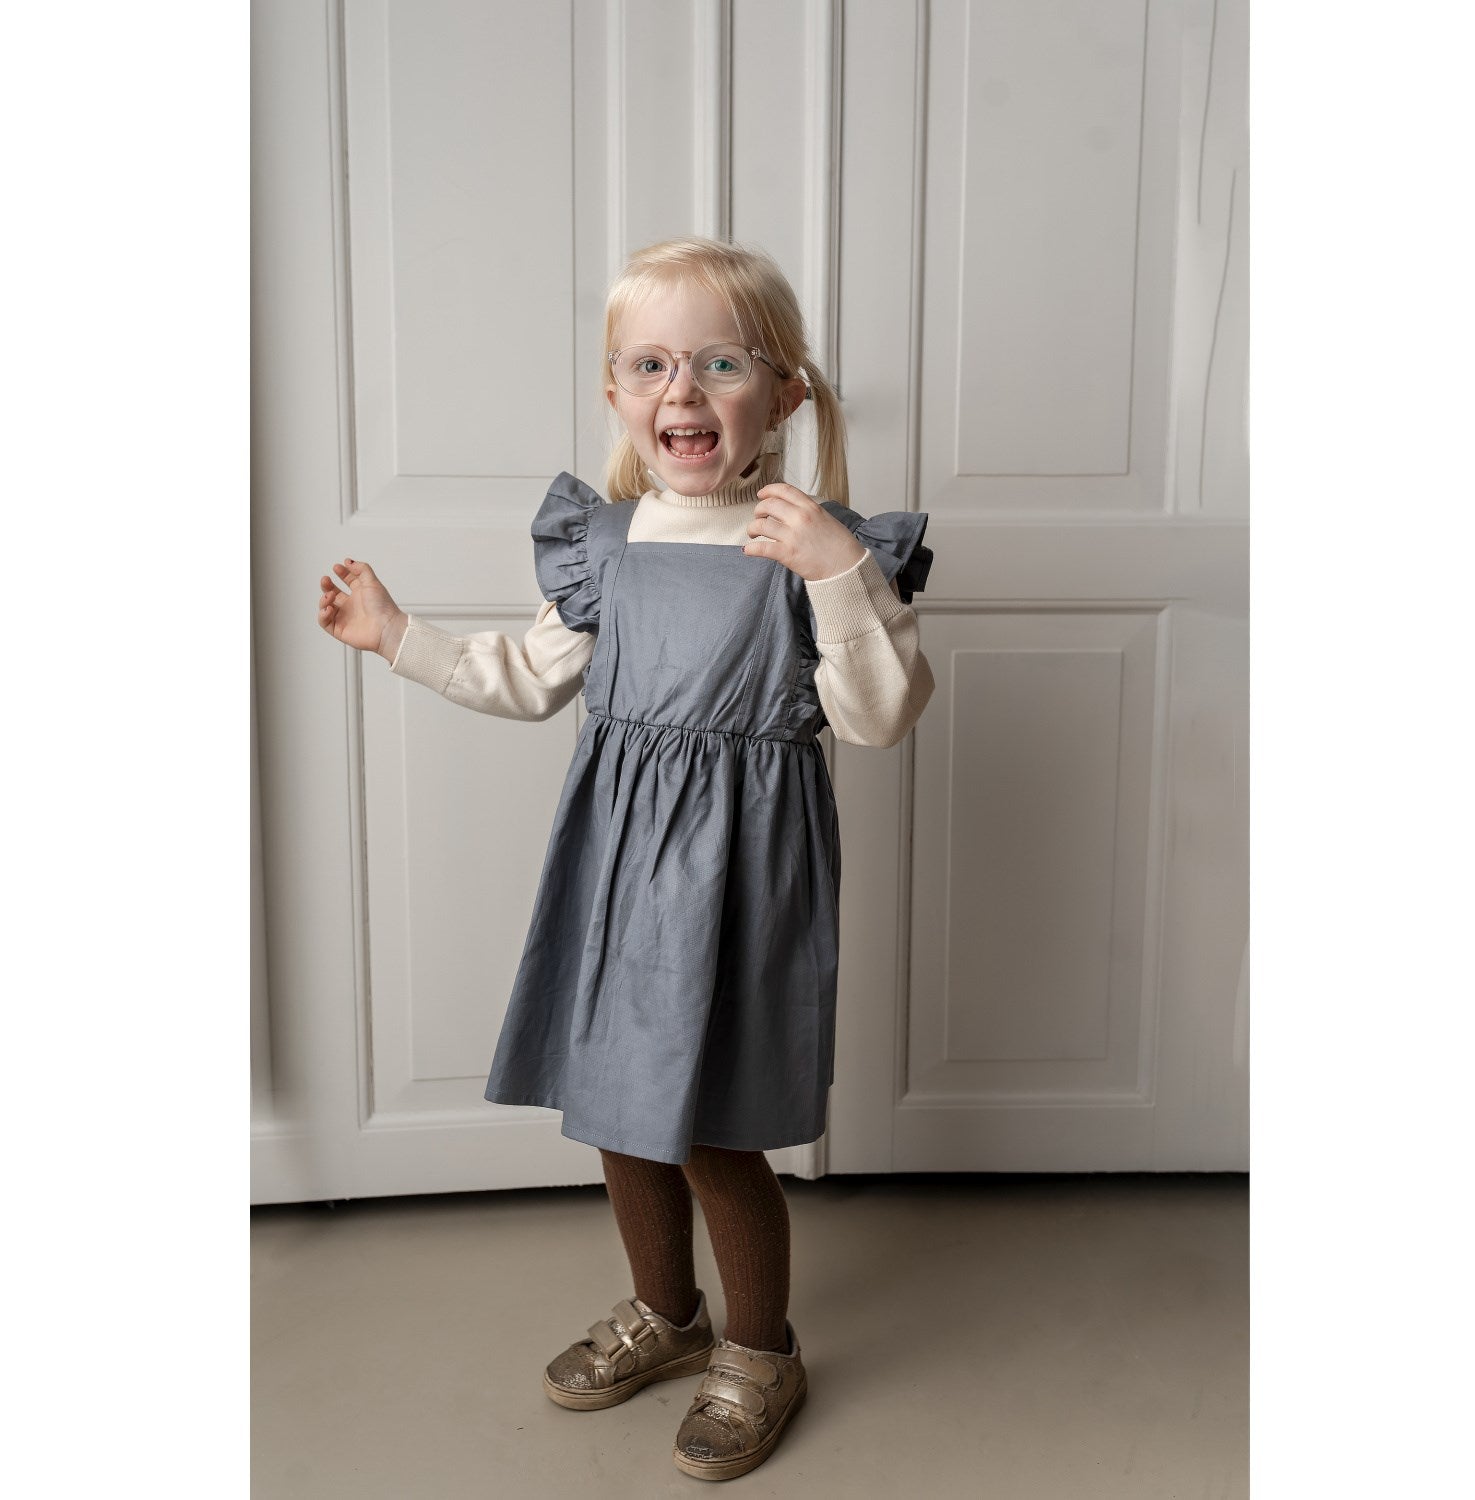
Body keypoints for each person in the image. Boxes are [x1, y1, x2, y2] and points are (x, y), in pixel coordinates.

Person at [316, 236, 935, 1482]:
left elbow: (878, 716)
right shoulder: (605, 542)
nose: (682, 390)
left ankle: (760, 1347)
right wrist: (399, 637)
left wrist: (841, 574)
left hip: (746, 883)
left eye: (721, 363)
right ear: (616, 392)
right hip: (616, 872)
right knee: (617, 1107)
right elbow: (526, 677)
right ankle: (668, 1311)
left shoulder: (815, 547)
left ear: (785, 395)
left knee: (713, 1128)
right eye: (650, 365)